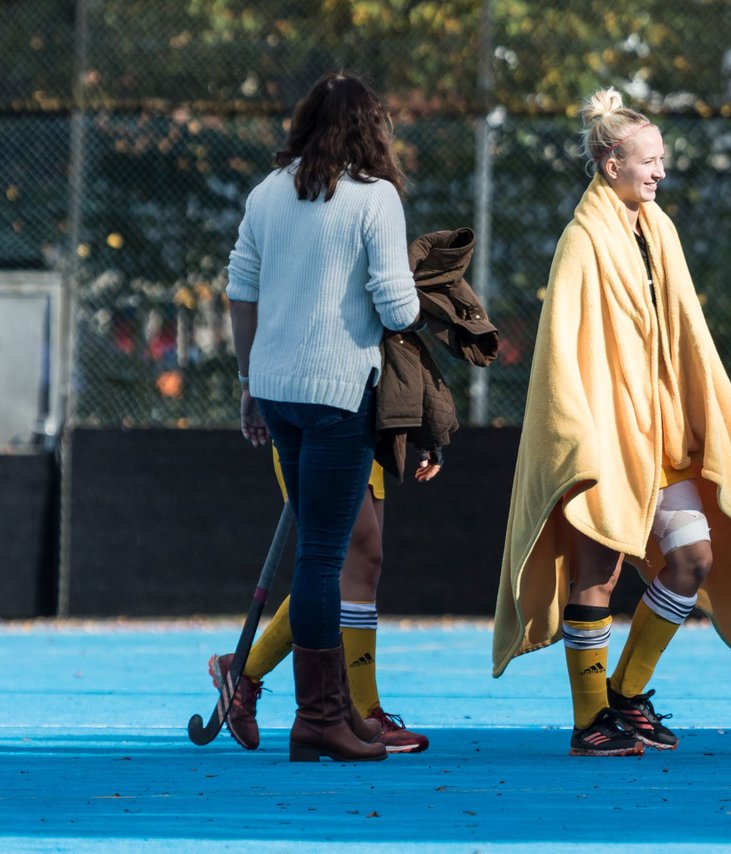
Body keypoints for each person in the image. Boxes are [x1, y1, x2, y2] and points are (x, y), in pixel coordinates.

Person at [491, 88, 731, 756]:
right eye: (649, 159)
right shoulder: (581, 240)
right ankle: (590, 724)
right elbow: (560, 352)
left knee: (693, 559)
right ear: (610, 163)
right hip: (604, 439)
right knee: (598, 577)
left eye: (662, 159)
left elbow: (683, 338)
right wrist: (578, 439)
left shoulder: (657, 230)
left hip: (659, 439)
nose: (660, 171)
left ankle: (625, 695)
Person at [227, 71, 428, 763]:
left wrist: (250, 383)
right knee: (323, 559)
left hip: (278, 391)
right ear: (372, 129)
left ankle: (331, 709)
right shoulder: (375, 199)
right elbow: (398, 309)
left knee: (324, 552)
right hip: (341, 393)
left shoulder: (265, 193)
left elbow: (240, 291)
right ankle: (320, 718)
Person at [209, 451, 436, 754]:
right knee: (356, 558)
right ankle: (364, 713)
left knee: (361, 569)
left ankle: (244, 672)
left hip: (369, 428)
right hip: (323, 419)